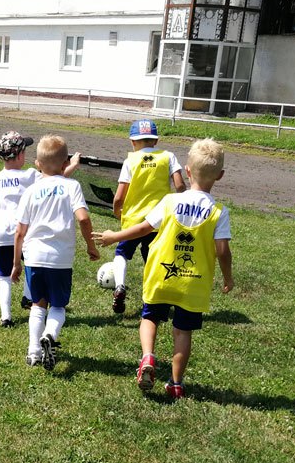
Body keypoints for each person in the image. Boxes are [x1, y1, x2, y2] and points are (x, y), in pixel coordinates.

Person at [93, 138, 233, 399]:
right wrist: (228, 278)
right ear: (220, 175)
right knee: (183, 330)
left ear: (188, 171)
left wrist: (115, 236)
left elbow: (144, 227)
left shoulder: (169, 202)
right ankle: (176, 383)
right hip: (193, 282)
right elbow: (223, 251)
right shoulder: (218, 212)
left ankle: (148, 357)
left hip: (161, 275)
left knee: (149, 318)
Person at [11, 135, 100, 370]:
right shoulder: (72, 186)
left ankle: (33, 352)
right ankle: (50, 334)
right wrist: (90, 246)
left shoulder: (31, 191)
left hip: (34, 257)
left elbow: (19, 232)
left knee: (37, 305)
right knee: (58, 306)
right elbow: (83, 218)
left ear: (37, 164)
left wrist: (16, 264)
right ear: (66, 163)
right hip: (60, 259)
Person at [0, 131, 80, 326]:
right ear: (20, 155)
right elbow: (55, 180)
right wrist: (72, 165)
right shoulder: (30, 175)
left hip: (0, 235)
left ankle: (6, 317)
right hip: (22, 233)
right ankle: (29, 298)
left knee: (3, 277)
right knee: (31, 264)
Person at [108, 118, 186, 315]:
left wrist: (117, 211)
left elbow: (119, 197)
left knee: (121, 253)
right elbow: (180, 185)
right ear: (156, 140)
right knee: (152, 259)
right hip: (159, 221)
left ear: (132, 142)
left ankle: (120, 286)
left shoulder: (130, 161)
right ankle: (153, 298)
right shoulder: (168, 156)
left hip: (133, 220)